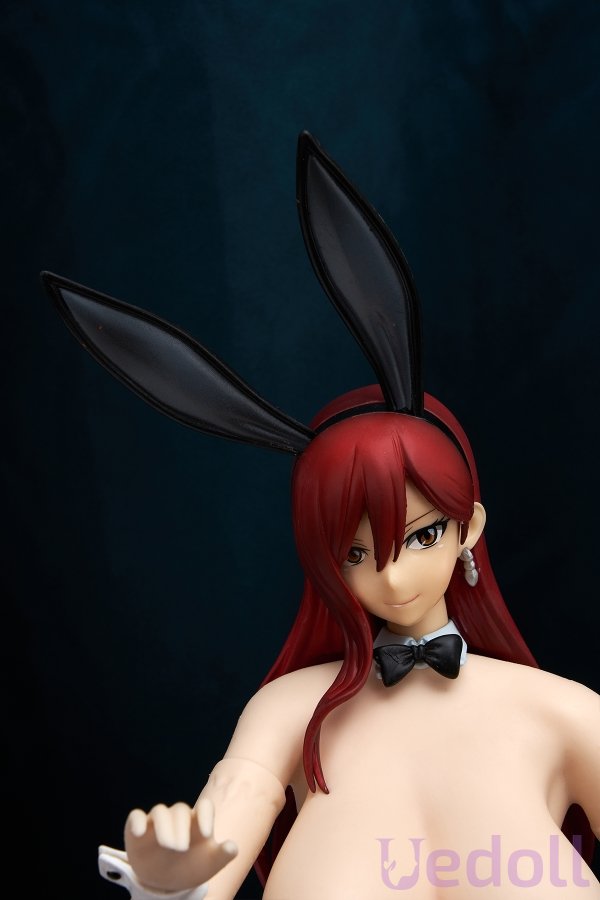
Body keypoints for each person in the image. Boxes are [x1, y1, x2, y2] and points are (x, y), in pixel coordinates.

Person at [43, 133, 600, 899]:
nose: (393, 577)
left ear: (469, 526)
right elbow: (217, 845)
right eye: (355, 552)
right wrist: (173, 880)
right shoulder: (287, 714)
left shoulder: (564, 714)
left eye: (421, 535)